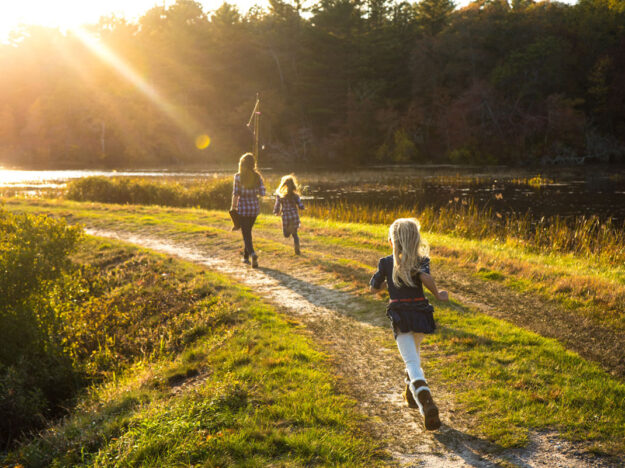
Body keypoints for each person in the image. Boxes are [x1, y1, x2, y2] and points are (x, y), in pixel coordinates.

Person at [370, 218, 449, 431]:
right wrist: (437, 294)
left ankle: (426, 401)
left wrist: (385, 284)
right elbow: (425, 278)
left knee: (412, 362)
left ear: (392, 241)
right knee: (414, 354)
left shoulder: (386, 263)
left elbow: (373, 288)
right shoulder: (421, 261)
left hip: (401, 317)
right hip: (421, 315)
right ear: (415, 240)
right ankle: (411, 395)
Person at [231, 153, 265, 268]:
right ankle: (246, 258)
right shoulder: (257, 177)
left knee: (246, 234)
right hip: (254, 209)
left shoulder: (237, 177)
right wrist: (255, 190)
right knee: (247, 232)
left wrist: (233, 207)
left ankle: (253, 254)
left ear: (242, 164)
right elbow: (262, 193)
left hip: (243, 209)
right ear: (253, 164)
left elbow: (235, 194)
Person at [273, 174, 305, 255]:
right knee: (295, 234)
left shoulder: (280, 196)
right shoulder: (295, 196)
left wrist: (276, 211)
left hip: (286, 217)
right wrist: (302, 207)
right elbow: (300, 205)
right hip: (294, 216)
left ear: (283, 185)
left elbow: (277, 205)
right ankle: (297, 249)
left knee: (286, 235)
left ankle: (290, 231)